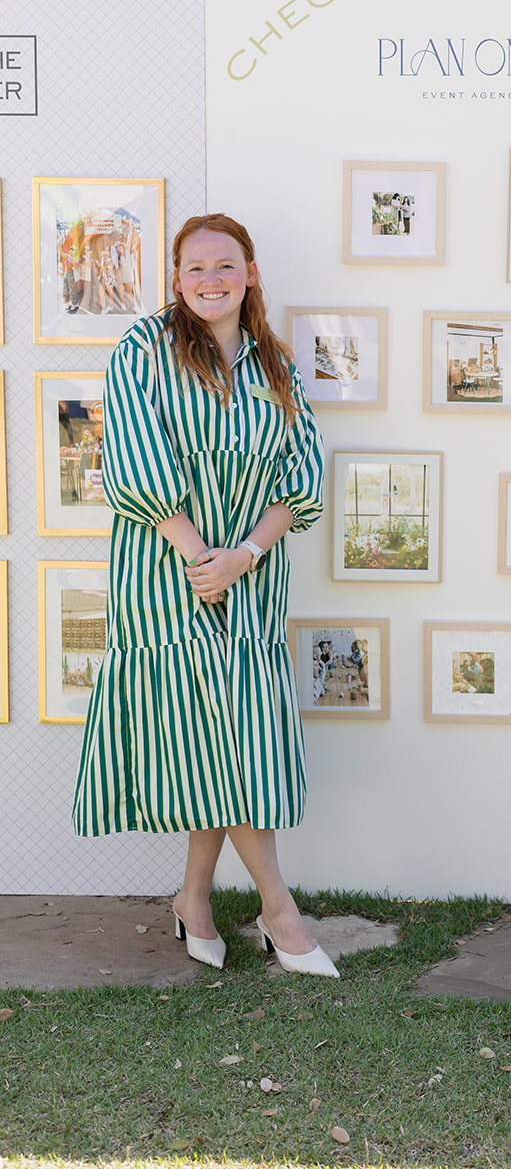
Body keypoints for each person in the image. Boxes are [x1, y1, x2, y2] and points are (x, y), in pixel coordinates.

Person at [72, 213, 338, 978]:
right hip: (168, 576)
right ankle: (279, 911)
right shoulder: (143, 350)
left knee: (226, 743)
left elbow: (302, 475)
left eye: (225, 265)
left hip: (251, 581)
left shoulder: (273, 364)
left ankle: (193, 900)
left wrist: (245, 556)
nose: (210, 279)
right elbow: (134, 463)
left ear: (249, 273)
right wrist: (202, 560)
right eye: (195, 268)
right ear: (177, 279)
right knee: (217, 740)